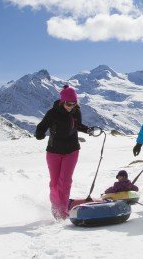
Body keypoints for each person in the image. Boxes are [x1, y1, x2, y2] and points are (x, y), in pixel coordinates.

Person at [35, 85, 96, 220]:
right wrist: (39, 133)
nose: (71, 106)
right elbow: (42, 125)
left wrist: (88, 130)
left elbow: (78, 125)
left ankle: (62, 212)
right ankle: (55, 206)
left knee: (65, 181)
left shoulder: (76, 111)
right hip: (54, 151)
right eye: (69, 104)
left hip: (72, 150)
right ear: (62, 101)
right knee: (54, 183)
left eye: (74, 104)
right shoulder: (52, 113)